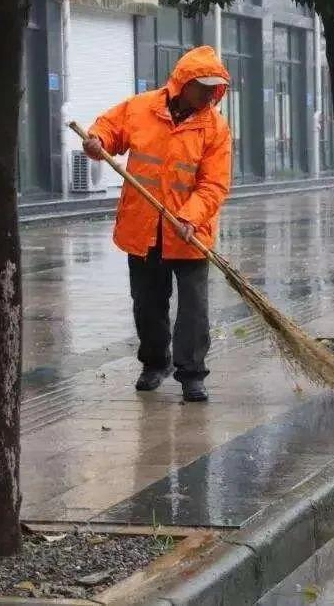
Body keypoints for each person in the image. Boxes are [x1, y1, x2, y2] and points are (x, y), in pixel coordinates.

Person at [83, 45, 232, 402]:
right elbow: (109, 128)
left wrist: (190, 216)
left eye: (215, 87)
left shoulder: (215, 129)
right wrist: (97, 141)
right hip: (144, 228)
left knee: (194, 309)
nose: (210, 94)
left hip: (189, 232)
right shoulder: (141, 108)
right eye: (203, 86)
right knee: (147, 304)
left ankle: (192, 373)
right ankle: (154, 363)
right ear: (183, 83)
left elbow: (214, 184)